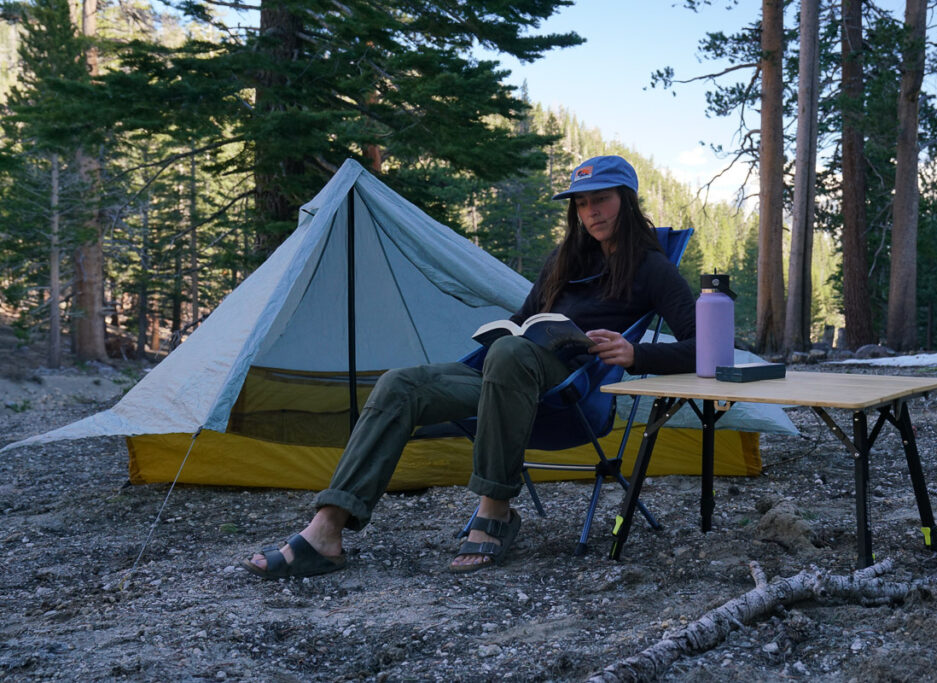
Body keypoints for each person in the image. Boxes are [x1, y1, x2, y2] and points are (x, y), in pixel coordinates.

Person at [243, 155, 696, 578]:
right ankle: (327, 528)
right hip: (508, 379)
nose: (591, 211)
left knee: (511, 355)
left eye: (602, 199)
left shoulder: (651, 268)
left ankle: (495, 509)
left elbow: (703, 348)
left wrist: (638, 356)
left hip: (572, 397)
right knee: (400, 383)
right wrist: (504, 333)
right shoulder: (564, 261)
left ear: (627, 201)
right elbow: (524, 323)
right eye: (582, 203)